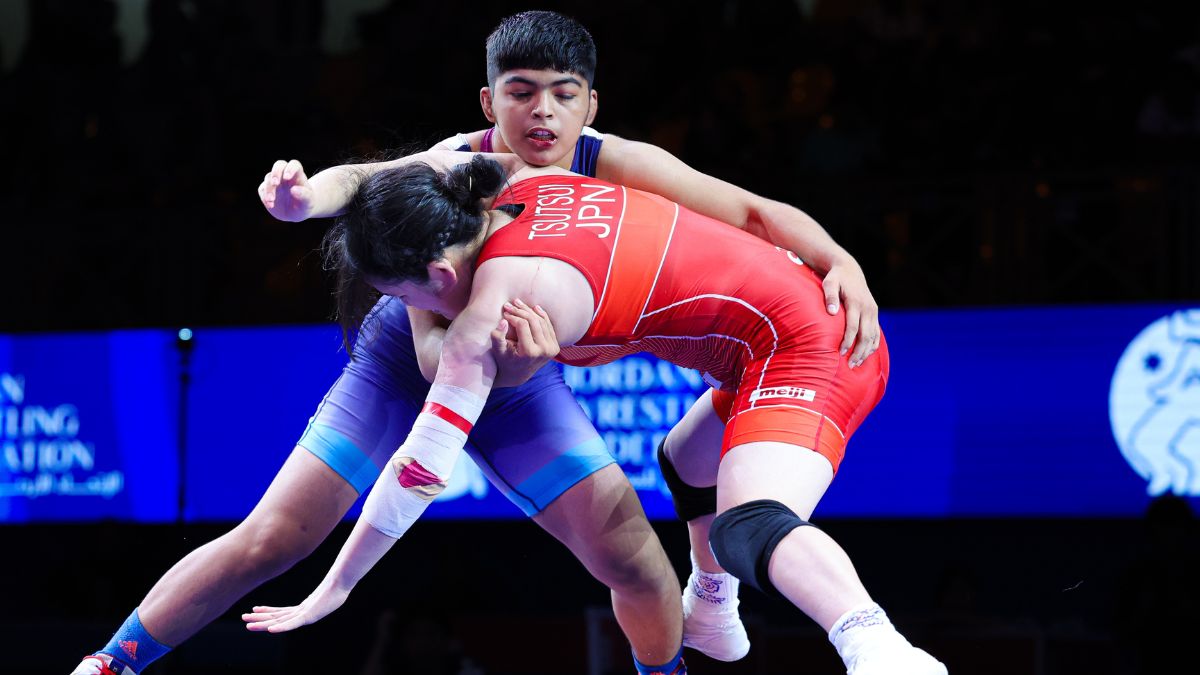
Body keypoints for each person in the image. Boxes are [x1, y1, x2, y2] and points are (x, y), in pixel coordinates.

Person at [73, 10, 880, 675]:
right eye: (520, 93)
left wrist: (841, 260)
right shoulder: (462, 170)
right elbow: (401, 268)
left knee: (637, 563)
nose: (542, 113)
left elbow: (749, 212)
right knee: (274, 537)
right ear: (488, 102)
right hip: (419, 358)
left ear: (589, 107)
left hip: (515, 373)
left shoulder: (619, 165)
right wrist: (301, 200)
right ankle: (109, 663)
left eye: (563, 95)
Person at [241, 151, 947, 675]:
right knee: (685, 457)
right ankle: (712, 605)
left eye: (406, 300)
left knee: (748, 524)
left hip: (813, 350)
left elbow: (418, 474)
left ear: (440, 278)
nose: (413, 315)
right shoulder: (506, 177)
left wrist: (333, 588)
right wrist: (307, 203)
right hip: (766, 340)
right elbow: (382, 174)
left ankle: (876, 645)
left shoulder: (486, 312)